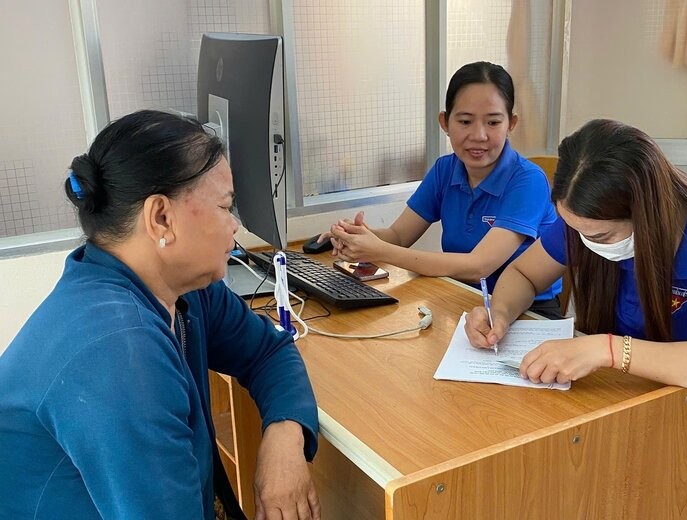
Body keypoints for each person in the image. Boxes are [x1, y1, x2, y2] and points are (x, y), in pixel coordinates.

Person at [0, 110, 321, 520]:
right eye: (226, 207)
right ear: (161, 218)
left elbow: (268, 351)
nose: (235, 226)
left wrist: (284, 437)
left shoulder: (183, 290)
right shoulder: (117, 351)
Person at [464, 119, 687, 520]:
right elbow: (523, 273)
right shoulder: (584, 225)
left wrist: (609, 349)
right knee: (525, 484)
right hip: (615, 402)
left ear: (648, 210)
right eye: (576, 231)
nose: (586, 243)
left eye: (602, 236)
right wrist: (499, 313)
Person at [323, 61, 563, 319]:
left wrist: (378, 250)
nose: (479, 135)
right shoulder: (445, 170)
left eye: (493, 123)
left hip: (527, 313)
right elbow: (398, 235)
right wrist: (359, 236)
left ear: (511, 124)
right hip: (461, 297)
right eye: (465, 121)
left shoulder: (529, 181)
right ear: (445, 122)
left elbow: (479, 266)